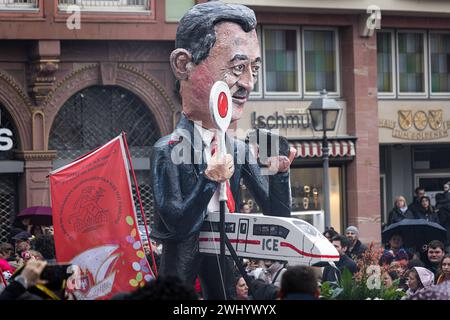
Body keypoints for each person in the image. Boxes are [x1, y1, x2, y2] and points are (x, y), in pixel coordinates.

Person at [150, 1, 295, 300]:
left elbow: (277, 215)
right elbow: (175, 223)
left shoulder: (239, 149)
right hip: (183, 251)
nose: (248, 83)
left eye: (254, 69)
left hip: (225, 245)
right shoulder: (168, 150)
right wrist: (209, 180)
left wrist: (280, 175)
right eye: (237, 68)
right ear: (183, 65)